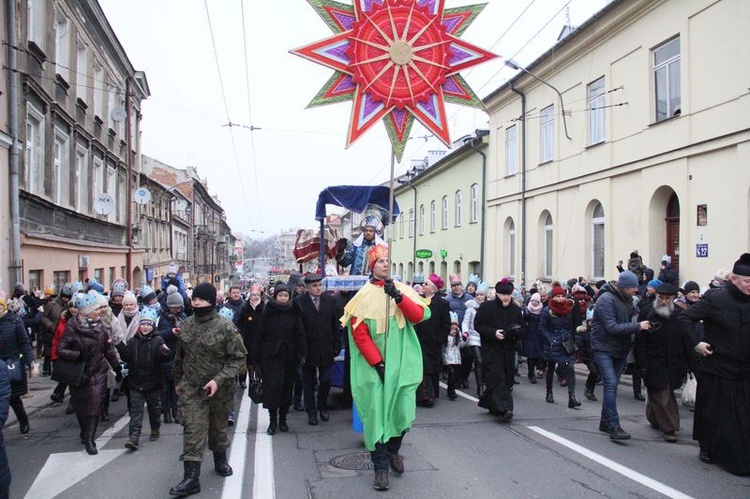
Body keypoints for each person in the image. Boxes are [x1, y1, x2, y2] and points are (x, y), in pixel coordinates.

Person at [341, 244, 429, 491]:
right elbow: (359, 334)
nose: (384, 264)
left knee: (402, 412)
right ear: (372, 265)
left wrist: (399, 297)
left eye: (387, 260)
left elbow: (418, 316)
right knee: (377, 418)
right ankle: (380, 468)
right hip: (375, 367)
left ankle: (393, 451)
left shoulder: (401, 289)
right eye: (380, 261)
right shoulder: (363, 296)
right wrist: (378, 363)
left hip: (402, 364)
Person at [169, 282, 247, 496]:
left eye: (201, 299)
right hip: (192, 388)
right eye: (194, 299)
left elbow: (238, 358)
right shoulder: (187, 325)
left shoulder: (225, 326)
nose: (196, 303)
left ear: (211, 302)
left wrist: (218, 380)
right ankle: (191, 478)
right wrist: (178, 381)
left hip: (219, 390)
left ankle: (220, 460)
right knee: (193, 430)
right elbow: (180, 356)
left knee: (217, 428)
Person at [678, 253, 750, 475]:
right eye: (748, 282)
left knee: (742, 417)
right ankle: (707, 447)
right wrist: (697, 343)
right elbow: (684, 318)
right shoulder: (715, 298)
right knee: (712, 413)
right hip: (717, 367)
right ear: (734, 279)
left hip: (744, 369)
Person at [57, 291, 121, 454]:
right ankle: (85, 431)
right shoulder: (72, 327)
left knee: (95, 405)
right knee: (80, 406)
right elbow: (61, 350)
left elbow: (108, 349)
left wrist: (117, 366)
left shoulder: (100, 326)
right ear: (86, 312)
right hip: (79, 373)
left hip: (98, 371)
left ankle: (90, 439)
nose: (99, 311)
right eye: (96, 309)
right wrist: (78, 355)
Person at [590, 270, 651, 441]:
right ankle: (614, 426)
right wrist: (637, 326)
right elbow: (612, 327)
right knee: (610, 383)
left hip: (620, 348)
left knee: (614, 385)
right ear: (623, 287)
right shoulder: (606, 300)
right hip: (603, 347)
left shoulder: (628, 300)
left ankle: (604, 421)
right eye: (632, 287)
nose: (635, 290)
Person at [634, 282, 691, 443]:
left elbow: (686, 339)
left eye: (667, 298)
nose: (664, 301)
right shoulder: (647, 312)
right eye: (661, 298)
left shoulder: (679, 314)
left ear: (673, 299)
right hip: (653, 362)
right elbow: (640, 342)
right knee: (662, 393)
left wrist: (690, 363)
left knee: (658, 392)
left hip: (674, 362)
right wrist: (641, 365)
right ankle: (670, 428)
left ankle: (654, 418)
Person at [251, 284, 306, 434]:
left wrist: (301, 353)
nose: (283, 298)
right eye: (280, 296)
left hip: (289, 355)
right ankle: (272, 421)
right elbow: (260, 334)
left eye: (285, 296)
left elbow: (300, 334)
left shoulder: (294, 312)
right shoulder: (268, 311)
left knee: (287, 388)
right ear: (275, 297)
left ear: (289, 297)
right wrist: (254, 359)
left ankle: (283, 419)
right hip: (270, 356)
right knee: (272, 389)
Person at [116, 307, 170, 450]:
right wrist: (119, 345)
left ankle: (155, 427)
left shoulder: (158, 340)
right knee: (136, 411)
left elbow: (163, 357)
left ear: (153, 326)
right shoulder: (133, 341)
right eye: (143, 324)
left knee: (154, 408)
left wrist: (165, 354)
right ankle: (134, 437)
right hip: (135, 381)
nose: (146, 327)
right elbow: (127, 357)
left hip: (153, 382)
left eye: (149, 324)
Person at [473, 278, 525, 423]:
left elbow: (522, 329)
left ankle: (490, 403)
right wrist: (493, 332)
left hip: (508, 351)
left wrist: (514, 332)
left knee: (507, 379)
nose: (506, 297)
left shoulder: (516, 310)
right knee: (497, 378)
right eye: (503, 295)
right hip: (491, 350)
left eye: (508, 295)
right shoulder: (486, 307)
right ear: (496, 294)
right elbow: (478, 325)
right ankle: (505, 409)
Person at [296, 273, 341, 426]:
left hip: (326, 348)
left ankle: (322, 405)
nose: (318, 288)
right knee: (308, 382)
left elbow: (335, 325)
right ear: (307, 288)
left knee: (326, 380)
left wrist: (337, 344)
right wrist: (300, 351)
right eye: (314, 286)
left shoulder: (330, 301)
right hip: (308, 349)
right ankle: (311, 412)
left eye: (320, 285)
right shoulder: (299, 302)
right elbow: (298, 329)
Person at [539, 286, 581, 408]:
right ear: (553, 297)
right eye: (558, 296)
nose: (560, 298)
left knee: (570, 368)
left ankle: (572, 397)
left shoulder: (568, 309)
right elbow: (542, 328)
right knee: (551, 368)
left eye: (562, 296)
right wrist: (551, 339)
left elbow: (571, 326)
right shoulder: (547, 311)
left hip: (566, 343)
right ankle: (549, 392)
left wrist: (573, 339)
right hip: (553, 343)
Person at [413, 274, 450, 406]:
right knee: (420, 368)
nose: (423, 285)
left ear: (433, 289)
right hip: (418, 340)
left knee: (430, 369)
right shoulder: (418, 300)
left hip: (432, 342)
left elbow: (446, 324)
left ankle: (429, 396)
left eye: (426, 284)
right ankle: (421, 396)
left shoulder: (442, 303)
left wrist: (439, 339)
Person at [0, 291, 35, 434]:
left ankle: (23, 420)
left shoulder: (14, 320)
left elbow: (24, 343)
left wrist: (31, 363)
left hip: (12, 363)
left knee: (14, 397)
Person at [157, 287, 187, 424]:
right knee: (165, 387)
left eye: (179, 307)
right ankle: (166, 411)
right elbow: (157, 335)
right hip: (165, 356)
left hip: (179, 355)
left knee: (177, 385)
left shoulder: (183, 317)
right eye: (174, 307)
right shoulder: (161, 318)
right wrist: (171, 332)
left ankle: (176, 410)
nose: (177, 310)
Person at [446, 274, 473, 389]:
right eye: (453, 286)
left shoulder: (470, 299)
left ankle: (464, 378)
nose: (456, 288)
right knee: (456, 358)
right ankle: (456, 379)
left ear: (461, 286)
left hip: (467, 332)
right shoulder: (447, 300)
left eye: (457, 285)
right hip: (455, 332)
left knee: (468, 357)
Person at [463, 282, 489, 396]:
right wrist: (465, 332)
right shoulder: (470, 308)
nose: (479, 297)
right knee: (479, 360)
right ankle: (480, 387)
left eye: (482, 295)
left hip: (485, 338)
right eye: (478, 295)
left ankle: (485, 382)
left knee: (485, 362)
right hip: (474, 337)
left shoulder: (489, 308)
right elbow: (466, 322)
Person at [238, 286, 264, 391]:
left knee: (258, 360)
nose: (256, 297)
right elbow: (240, 323)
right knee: (247, 361)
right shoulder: (245, 308)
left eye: (257, 295)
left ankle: (258, 378)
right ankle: (244, 379)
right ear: (250, 296)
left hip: (260, 339)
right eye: (254, 295)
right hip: (247, 339)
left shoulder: (264, 307)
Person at [520, 292, 543, 386]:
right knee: (530, 355)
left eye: (536, 301)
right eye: (533, 301)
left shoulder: (542, 310)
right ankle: (531, 373)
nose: (534, 303)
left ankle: (533, 371)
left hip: (538, 335)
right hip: (528, 334)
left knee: (537, 355)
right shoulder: (526, 309)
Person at [443, 312, 466, 400]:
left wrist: (464, 338)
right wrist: (449, 335)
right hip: (448, 357)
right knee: (451, 373)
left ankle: (450, 390)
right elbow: (444, 347)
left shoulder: (458, 332)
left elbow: (461, 345)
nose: (454, 326)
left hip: (457, 358)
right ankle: (452, 392)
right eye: (452, 324)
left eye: (455, 324)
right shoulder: (445, 333)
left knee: (455, 375)